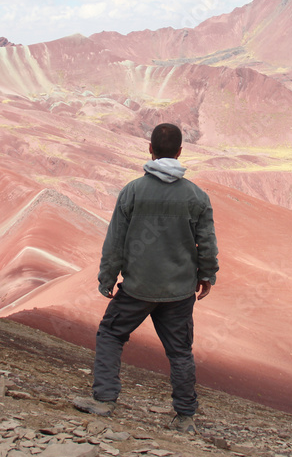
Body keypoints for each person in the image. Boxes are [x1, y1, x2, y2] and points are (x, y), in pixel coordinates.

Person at [73, 123, 219, 434]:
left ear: (150, 150)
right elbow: (206, 242)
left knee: (111, 335)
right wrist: (207, 275)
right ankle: (185, 418)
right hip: (179, 291)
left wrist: (106, 277)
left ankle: (104, 400)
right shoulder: (196, 196)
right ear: (180, 152)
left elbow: (116, 241)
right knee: (180, 352)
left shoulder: (133, 191)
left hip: (137, 288)